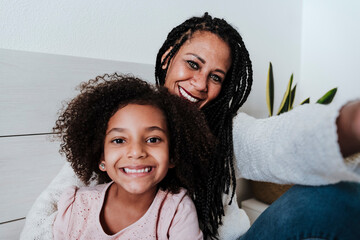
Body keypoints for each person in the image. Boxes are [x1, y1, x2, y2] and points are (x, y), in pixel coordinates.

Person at [21, 13, 360, 240]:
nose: (199, 84)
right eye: (193, 64)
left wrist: (349, 124)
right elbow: (47, 209)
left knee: (325, 199)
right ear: (169, 57)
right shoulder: (123, 121)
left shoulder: (228, 131)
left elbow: (275, 142)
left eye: (215, 77)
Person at [50, 74, 221, 239]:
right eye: (119, 140)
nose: (136, 152)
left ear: (172, 155)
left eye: (153, 139)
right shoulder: (76, 206)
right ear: (102, 158)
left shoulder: (176, 211)